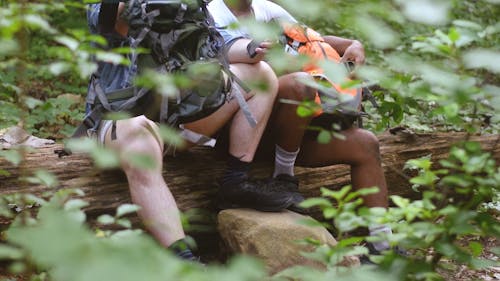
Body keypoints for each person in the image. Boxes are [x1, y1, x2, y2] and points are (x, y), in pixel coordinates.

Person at [85, 2, 293, 261]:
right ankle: (183, 259)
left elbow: (224, 44)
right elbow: (110, 18)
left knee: (260, 74)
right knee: (139, 131)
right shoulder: (112, 9)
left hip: (174, 126)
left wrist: (253, 48)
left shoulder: (188, 9)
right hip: (119, 126)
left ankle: (235, 182)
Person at [207, 0, 394, 255]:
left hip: (292, 127)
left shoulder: (266, 9)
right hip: (241, 130)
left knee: (366, 143)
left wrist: (353, 45)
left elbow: (311, 39)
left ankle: (383, 248)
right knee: (300, 84)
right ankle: (284, 177)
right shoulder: (212, 13)